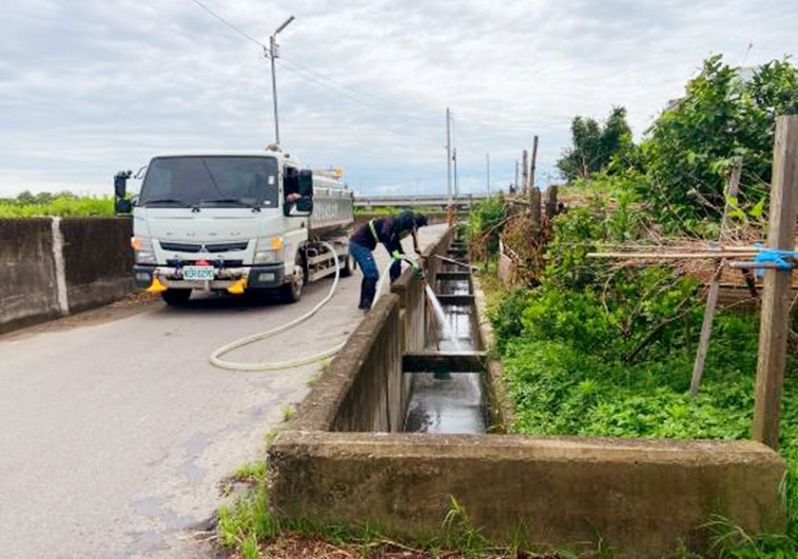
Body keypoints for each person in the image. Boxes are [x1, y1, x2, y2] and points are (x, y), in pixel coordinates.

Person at [349, 210, 428, 310]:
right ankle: (367, 305)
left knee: (373, 272)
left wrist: (414, 265)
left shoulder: (397, 229)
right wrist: (395, 253)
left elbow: (401, 253)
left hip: (364, 245)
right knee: (372, 274)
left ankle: (364, 302)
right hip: (358, 244)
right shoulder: (389, 223)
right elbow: (385, 234)